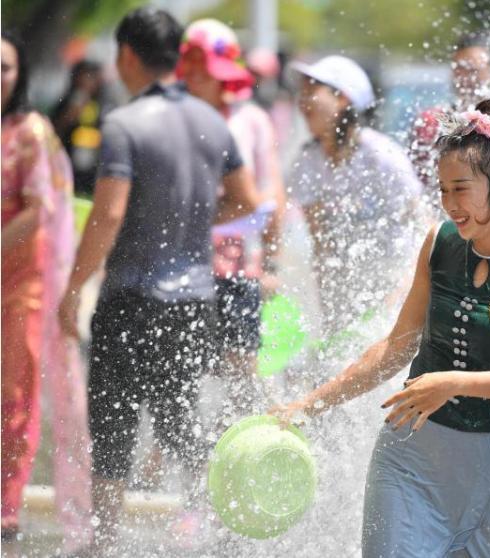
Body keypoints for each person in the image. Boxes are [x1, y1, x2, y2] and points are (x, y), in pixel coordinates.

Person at [273, 99, 490, 557]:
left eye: (460, 190)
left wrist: (453, 383)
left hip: (489, 482)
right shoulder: (440, 242)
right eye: (442, 190)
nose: (449, 205)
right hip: (409, 469)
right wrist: (310, 404)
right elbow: (395, 350)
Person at [57, 8, 260, 552]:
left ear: (127, 55)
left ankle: (103, 542)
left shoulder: (123, 123)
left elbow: (108, 214)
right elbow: (247, 199)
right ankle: (220, 530)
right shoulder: (212, 121)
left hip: (130, 297)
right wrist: (191, 223)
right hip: (195, 300)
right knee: (179, 420)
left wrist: (75, 287)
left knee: (115, 421)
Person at [1, 31, 92, 549]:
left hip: (21, 280)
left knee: (16, 393)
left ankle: (6, 505)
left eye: (7, 68)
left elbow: (39, 209)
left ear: (22, 76)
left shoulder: (30, 130)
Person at [177, 18, 285, 395]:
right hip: (184, 264)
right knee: (181, 373)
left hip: (240, 265)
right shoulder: (178, 118)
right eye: (190, 70)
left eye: (204, 71)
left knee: (242, 371)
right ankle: (166, 454)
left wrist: (272, 261)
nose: (197, 79)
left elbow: (271, 192)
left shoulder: (251, 119)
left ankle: (241, 449)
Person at [288, 54, 423, 338]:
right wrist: (329, 310)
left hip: (393, 281)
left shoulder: (380, 156)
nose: (303, 100)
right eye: (302, 91)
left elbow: (424, 225)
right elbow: (320, 244)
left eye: (313, 90)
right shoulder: (308, 162)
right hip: (348, 286)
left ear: (342, 99)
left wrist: (404, 292)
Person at [410, 33, 490, 188]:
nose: (465, 77)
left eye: (473, 70)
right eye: (460, 69)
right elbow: (414, 186)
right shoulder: (431, 123)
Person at [51, 60, 108, 196]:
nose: (86, 81)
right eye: (83, 76)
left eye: (91, 77)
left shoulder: (102, 106)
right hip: (67, 165)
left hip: (91, 168)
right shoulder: (66, 102)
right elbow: (52, 134)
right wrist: (68, 116)